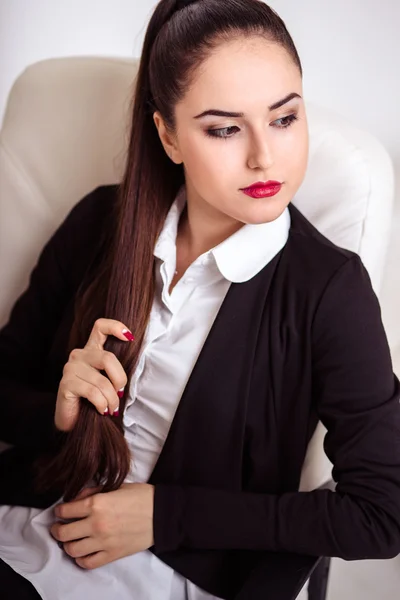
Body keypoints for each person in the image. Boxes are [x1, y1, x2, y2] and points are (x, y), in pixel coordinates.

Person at [0, 0, 399, 599]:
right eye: (224, 129)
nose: (265, 156)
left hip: (169, 577)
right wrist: (55, 411)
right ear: (168, 135)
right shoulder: (100, 223)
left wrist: (167, 515)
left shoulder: (329, 293)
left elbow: (382, 515)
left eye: (285, 118)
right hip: (24, 531)